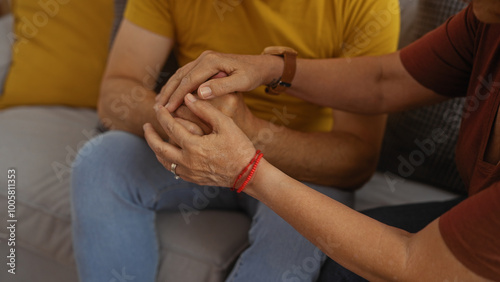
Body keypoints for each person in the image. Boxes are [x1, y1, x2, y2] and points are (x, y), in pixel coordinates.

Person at [145, 1, 500, 281]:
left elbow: (411, 262)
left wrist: (246, 168)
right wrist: (273, 68)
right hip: (474, 210)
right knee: (343, 264)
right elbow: (383, 80)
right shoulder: (486, 21)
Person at [70, 0, 400, 281]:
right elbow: (116, 92)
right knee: (101, 161)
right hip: (194, 143)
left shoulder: (365, 5)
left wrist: (245, 132)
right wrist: (188, 121)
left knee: (294, 241)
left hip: (298, 168)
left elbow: (357, 160)